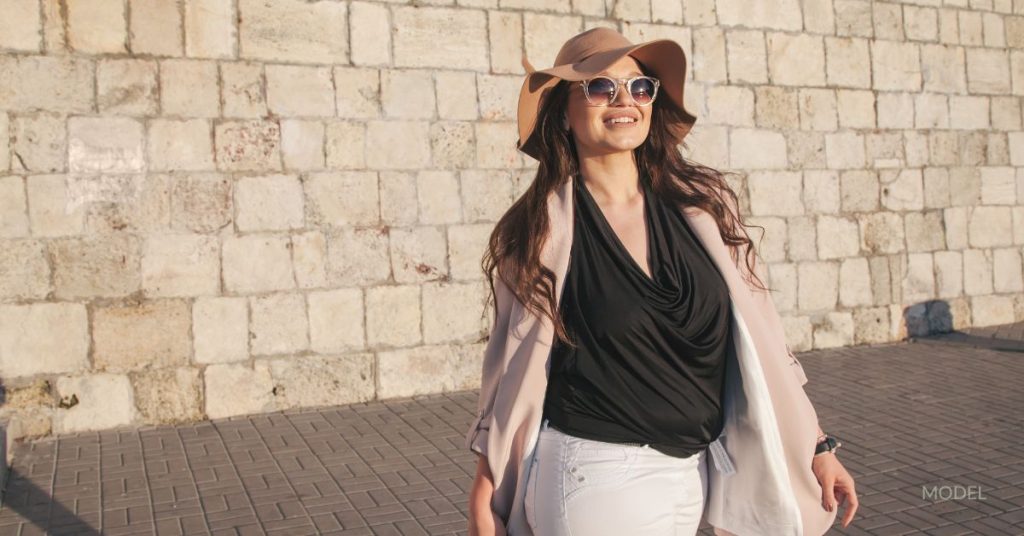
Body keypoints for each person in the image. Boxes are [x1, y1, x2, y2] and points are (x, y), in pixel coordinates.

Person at [467, 27, 858, 536]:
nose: (624, 100)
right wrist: (485, 488)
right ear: (564, 110)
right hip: (595, 478)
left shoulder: (703, 207)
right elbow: (509, 369)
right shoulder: (542, 232)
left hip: (696, 474)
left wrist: (816, 443)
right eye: (601, 87)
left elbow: (766, 341)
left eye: (640, 86)